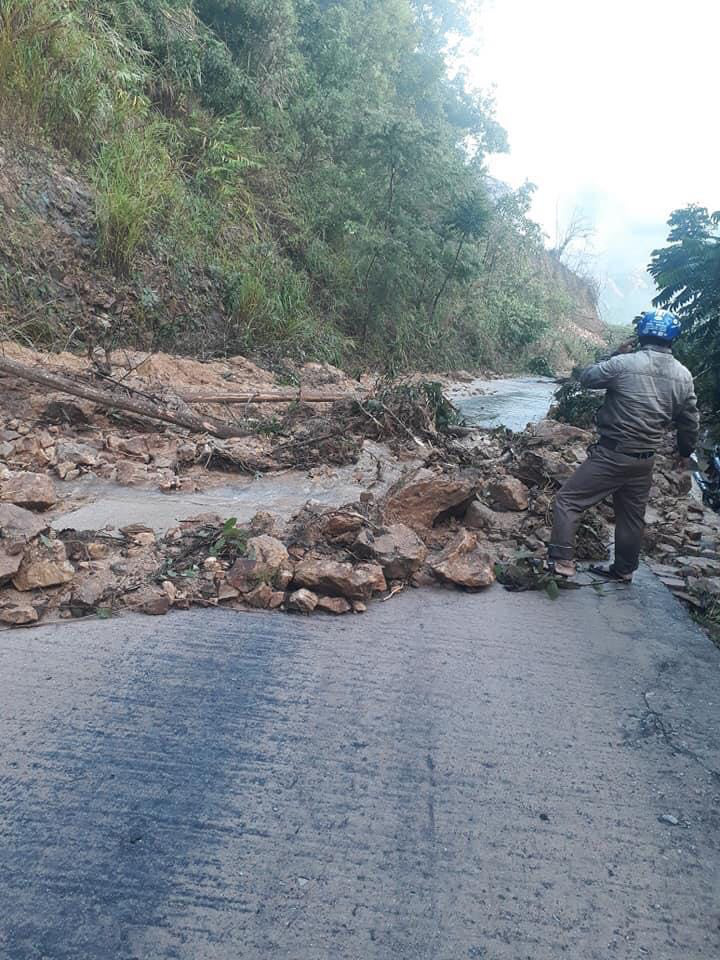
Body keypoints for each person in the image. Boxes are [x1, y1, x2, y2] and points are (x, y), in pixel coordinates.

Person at [548, 309, 699, 582]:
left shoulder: (624, 363)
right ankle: (624, 570)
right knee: (631, 516)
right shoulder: (684, 376)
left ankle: (562, 562)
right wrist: (684, 453)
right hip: (645, 460)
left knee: (568, 500)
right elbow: (689, 422)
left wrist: (614, 354)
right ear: (672, 339)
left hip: (612, 454)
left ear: (642, 334)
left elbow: (587, 378)